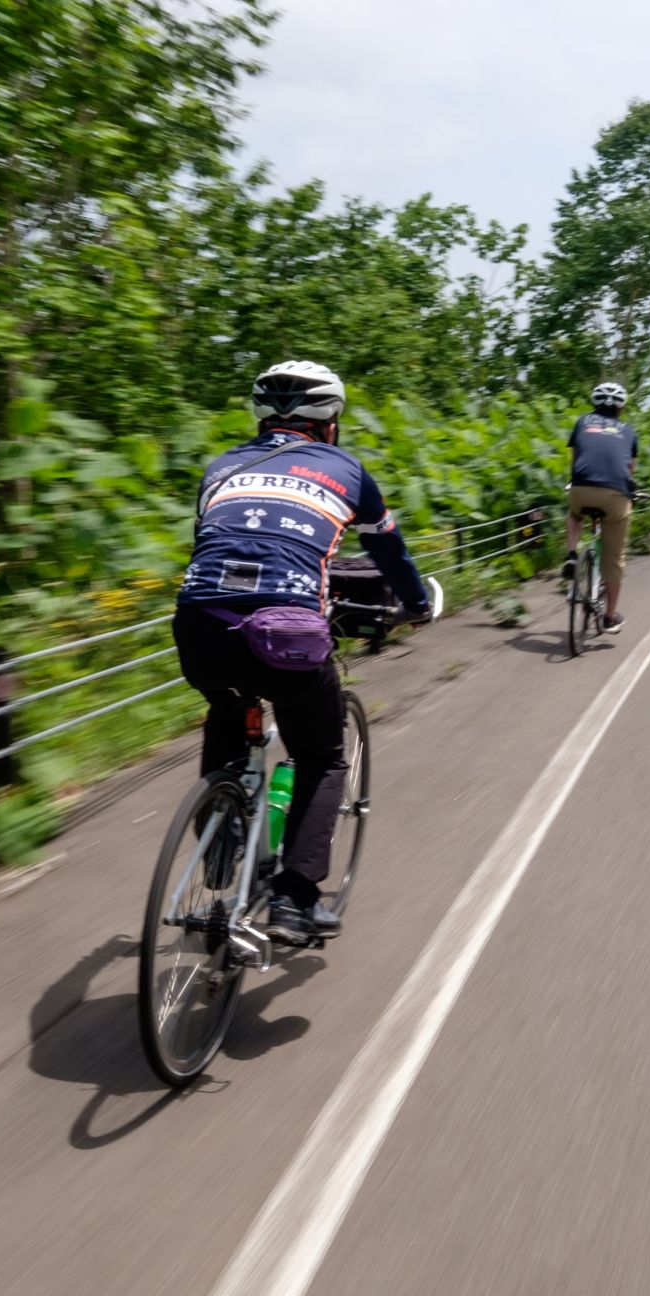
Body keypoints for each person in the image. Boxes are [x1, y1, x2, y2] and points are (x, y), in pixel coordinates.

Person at [174, 360, 430, 945]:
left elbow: (224, 544)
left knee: (228, 706)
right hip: (286, 630)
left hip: (198, 624)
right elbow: (387, 550)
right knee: (322, 756)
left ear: (261, 417)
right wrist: (416, 604)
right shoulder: (347, 470)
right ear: (331, 422)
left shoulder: (221, 467)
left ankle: (219, 841)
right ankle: (294, 899)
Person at [561, 381, 639, 633]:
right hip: (615, 494)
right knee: (615, 559)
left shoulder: (582, 422)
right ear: (621, 409)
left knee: (574, 515)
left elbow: (575, 462)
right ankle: (609, 617)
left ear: (594, 404)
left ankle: (572, 554)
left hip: (581, 489)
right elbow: (628, 470)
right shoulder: (628, 431)